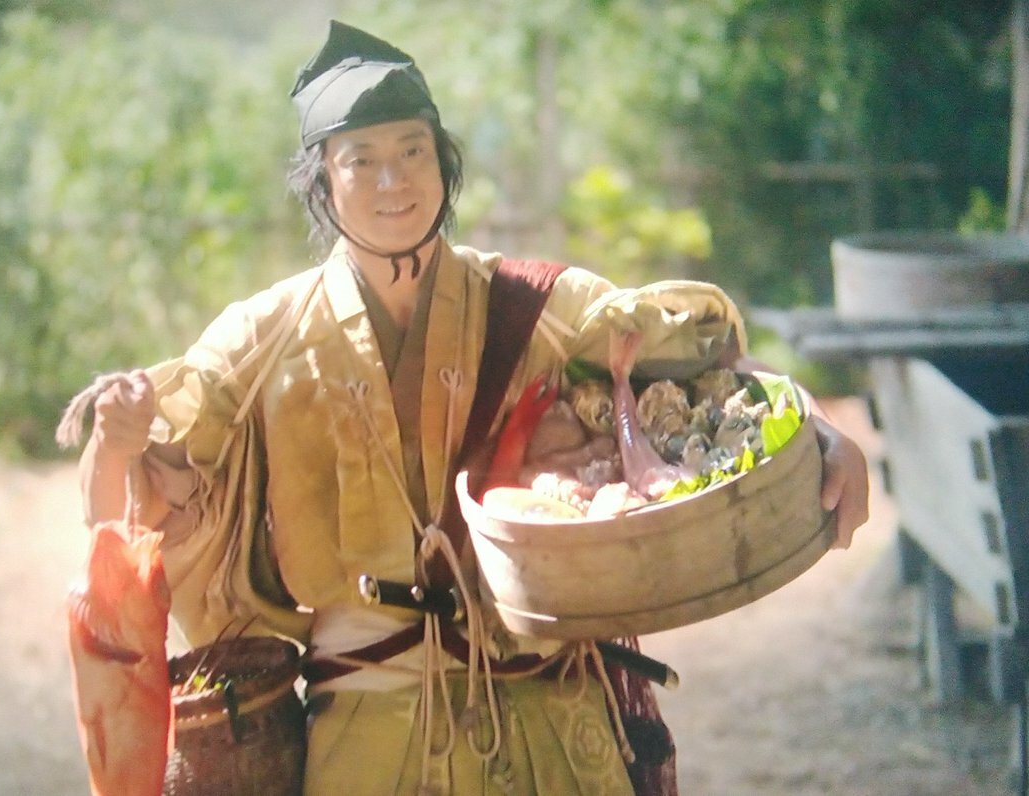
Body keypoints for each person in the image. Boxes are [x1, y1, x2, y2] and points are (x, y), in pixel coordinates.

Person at [77, 20, 870, 796]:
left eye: (413, 152)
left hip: (550, 708)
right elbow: (126, 516)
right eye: (362, 161)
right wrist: (116, 446)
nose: (394, 182)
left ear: (444, 161)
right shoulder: (263, 338)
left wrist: (819, 430)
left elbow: (706, 368)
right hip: (368, 730)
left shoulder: (534, 305)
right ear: (323, 181)